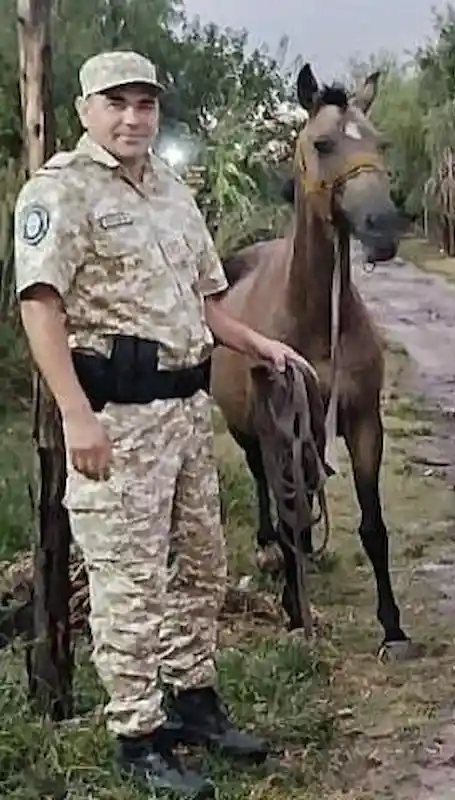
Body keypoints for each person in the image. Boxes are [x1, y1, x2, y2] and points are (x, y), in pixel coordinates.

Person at [13, 50, 314, 798]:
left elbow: (206, 300)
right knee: (129, 582)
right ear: (85, 109)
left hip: (185, 413)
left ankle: (193, 701)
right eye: (116, 102)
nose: (132, 117)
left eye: (145, 104)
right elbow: (39, 305)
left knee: (202, 566)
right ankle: (139, 733)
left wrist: (259, 343)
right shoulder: (60, 192)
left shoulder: (172, 191)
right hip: (116, 418)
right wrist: (76, 415)